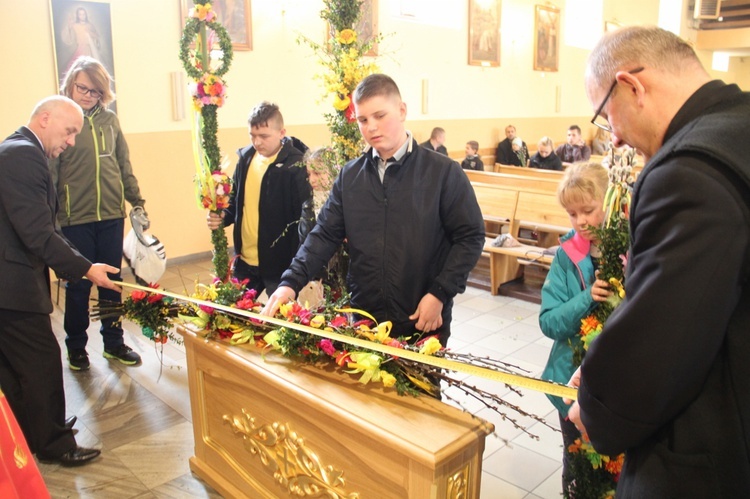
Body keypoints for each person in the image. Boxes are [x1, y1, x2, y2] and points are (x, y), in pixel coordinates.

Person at [567, 26, 750, 497]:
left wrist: (596, 405)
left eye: (608, 118)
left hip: (710, 454)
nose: (619, 139)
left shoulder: (688, 171)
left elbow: (663, 336)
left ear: (631, 86)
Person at [262, 74, 485, 347]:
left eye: (380, 115)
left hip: (422, 316)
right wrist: (290, 282)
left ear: (402, 110)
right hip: (365, 316)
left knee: (419, 389)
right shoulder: (350, 176)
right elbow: (324, 234)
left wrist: (440, 293)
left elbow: (470, 237)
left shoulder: (443, 172)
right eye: (362, 120)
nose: (371, 127)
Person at [0, 95, 120, 465]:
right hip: (12, 284)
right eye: (69, 132)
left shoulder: (15, 149)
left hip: (9, 282)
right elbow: (38, 233)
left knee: (13, 368)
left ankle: (28, 434)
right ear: (45, 118)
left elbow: (47, 228)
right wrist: (87, 270)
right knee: (41, 363)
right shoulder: (22, 155)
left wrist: (83, 262)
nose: (70, 142)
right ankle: (54, 443)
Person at [51, 56, 145, 371]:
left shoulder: (110, 121)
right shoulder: (60, 121)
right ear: (70, 85)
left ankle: (114, 343)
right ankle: (76, 346)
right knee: (78, 284)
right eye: (83, 88)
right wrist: (51, 215)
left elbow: (124, 165)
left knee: (111, 283)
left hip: (110, 216)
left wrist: (137, 202)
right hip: (74, 218)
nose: (88, 95)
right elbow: (51, 169)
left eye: (95, 91)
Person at [539, 162, 611, 492]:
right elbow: (549, 322)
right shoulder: (567, 256)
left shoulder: (628, 249)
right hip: (571, 384)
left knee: (612, 470)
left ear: (608, 204)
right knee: (577, 465)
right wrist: (587, 297)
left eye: (588, 210)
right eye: (572, 213)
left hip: (617, 389)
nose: (580, 221)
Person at [207, 101, 311, 296]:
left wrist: (299, 265)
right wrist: (222, 217)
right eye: (252, 136)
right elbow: (235, 201)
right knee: (236, 316)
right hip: (244, 260)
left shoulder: (295, 165)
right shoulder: (246, 158)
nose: (257, 142)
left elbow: (303, 219)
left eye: (264, 136)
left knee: (278, 320)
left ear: (281, 133)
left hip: (280, 265)